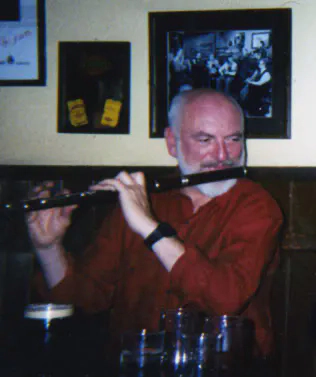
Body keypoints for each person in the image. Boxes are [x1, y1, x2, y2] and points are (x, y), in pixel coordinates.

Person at [27, 89, 283, 372]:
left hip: (223, 369)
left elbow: (225, 300)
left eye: (234, 139)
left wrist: (149, 227)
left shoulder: (257, 206)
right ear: (172, 143)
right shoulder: (143, 201)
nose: (223, 155)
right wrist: (48, 248)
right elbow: (84, 298)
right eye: (205, 139)